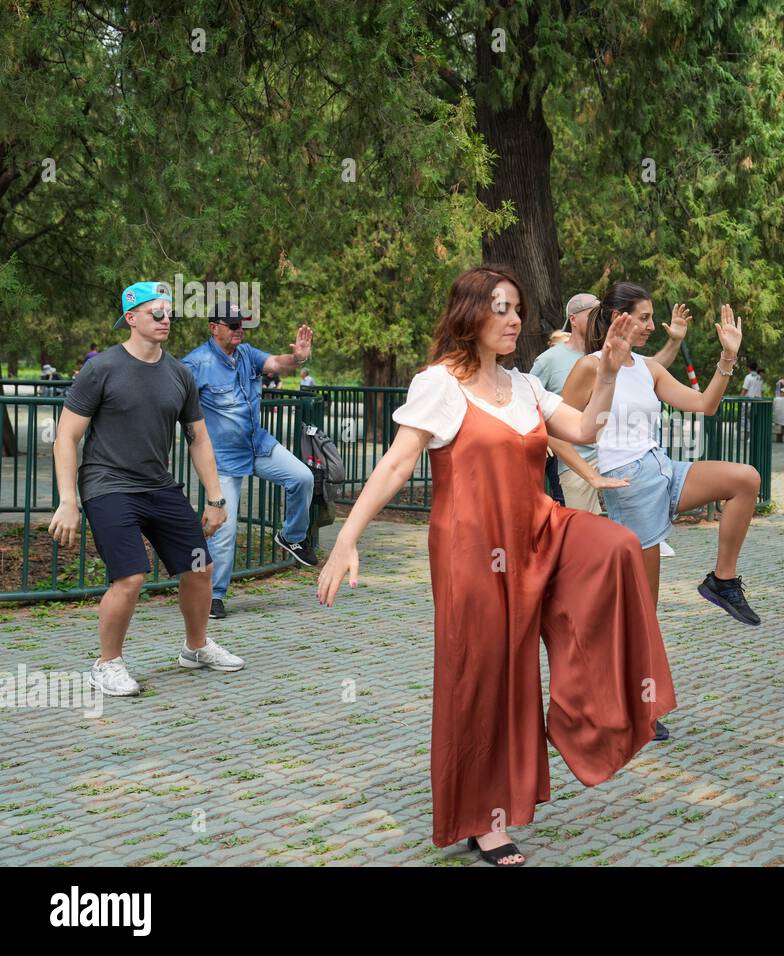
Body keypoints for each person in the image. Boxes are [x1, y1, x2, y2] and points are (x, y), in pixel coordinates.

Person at [316, 265, 674, 866]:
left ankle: (587, 710)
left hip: (537, 530)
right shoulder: (439, 384)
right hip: (471, 551)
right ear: (471, 316)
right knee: (484, 681)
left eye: (517, 310)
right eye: (501, 309)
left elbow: (585, 428)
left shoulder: (526, 387)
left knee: (613, 548)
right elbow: (397, 465)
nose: (513, 320)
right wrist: (347, 537)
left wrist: (608, 372)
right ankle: (483, 820)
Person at [48, 281, 244, 697]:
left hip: (159, 488)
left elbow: (199, 438)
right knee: (131, 576)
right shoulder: (102, 369)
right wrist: (68, 500)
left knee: (200, 566)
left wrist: (215, 498)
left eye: (169, 312)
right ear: (131, 318)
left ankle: (195, 648)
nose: (166, 319)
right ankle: (107, 664)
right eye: (157, 312)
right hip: (109, 488)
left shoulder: (179, 374)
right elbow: (66, 437)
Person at [563, 282, 762, 634]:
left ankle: (722, 580)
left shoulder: (647, 367)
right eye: (645, 318)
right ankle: (633, 679)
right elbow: (553, 431)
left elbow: (705, 405)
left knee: (745, 478)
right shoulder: (589, 368)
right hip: (630, 482)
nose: (653, 326)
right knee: (645, 608)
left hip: (662, 467)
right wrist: (590, 475)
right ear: (617, 319)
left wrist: (728, 356)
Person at [182, 302, 319, 619]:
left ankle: (291, 537)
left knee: (302, 477)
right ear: (213, 327)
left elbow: (276, 364)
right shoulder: (195, 364)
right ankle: (213, 595)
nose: (239, 329)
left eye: (242, 324)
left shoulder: (246, 354)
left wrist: (297, 358)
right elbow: (172, 397)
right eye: (232, 325)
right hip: (224, 459)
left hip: (258, 444)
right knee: (225, 528)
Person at [530, 292, 691, 514]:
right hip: (579, 463)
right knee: (586, 535)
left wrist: (674, 340)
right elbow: (533, 401)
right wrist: (545, 438)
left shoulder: (617, 353)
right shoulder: (551, 359)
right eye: (591, 313)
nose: (598, 315)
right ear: (573, 319)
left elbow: (653, 369)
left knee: (631, 531)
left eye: (600, 310)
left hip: (618, 458)